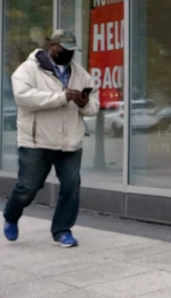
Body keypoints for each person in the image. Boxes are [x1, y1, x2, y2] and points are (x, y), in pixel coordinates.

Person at [3, 29, 99, 247]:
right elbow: (23, 97)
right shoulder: (28, 69)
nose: (69, 55)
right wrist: (61, 97)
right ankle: (11, 215)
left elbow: (94, 104)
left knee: (71, 185)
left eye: (72, 51)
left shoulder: (80, 73)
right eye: (65, 50)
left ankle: (62, 230)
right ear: (53, 46)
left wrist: (84, 103)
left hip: (70, 142)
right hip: (37, 141)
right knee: (28, 187)